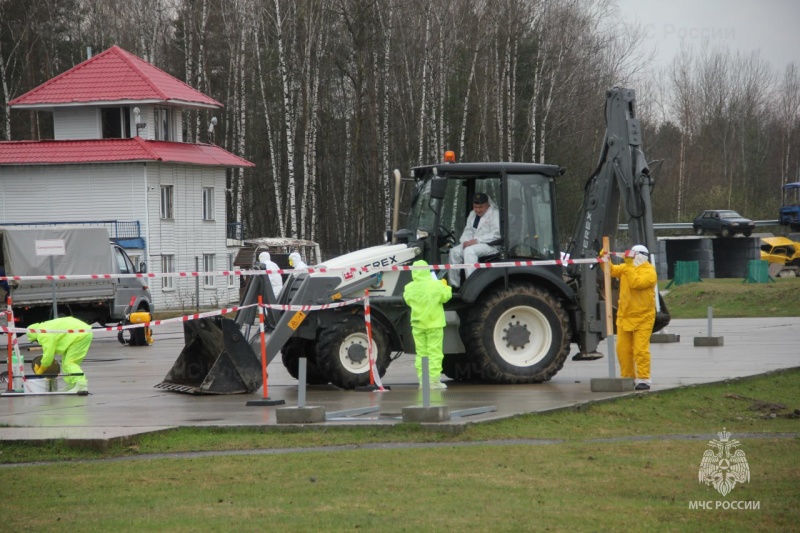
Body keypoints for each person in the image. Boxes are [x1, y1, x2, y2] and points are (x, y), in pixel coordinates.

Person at [604, 244, 658, 390]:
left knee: (640, 350)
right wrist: (605, 260)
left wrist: (628, 267)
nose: (629, 257)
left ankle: (644, 379)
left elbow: (636, 284)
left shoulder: (649, 272)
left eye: (633, 255)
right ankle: (628, 378)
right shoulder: (627, 267)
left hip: (644, 317)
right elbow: (612, 270)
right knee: (623, 349)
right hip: (624, 316)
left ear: (641, 256)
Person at [402, 259, 453, 389]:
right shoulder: (436, 285)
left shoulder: (409, 287)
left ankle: (423, 381)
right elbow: (446, 297)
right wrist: (445, 285)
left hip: (418, 325)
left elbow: (408, 301)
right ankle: (434, 381)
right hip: (434, 324)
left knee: (421, 354)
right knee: (434, 353)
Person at [27, 316, 93, 393]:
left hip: (80, 335)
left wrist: (42, 369)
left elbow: (48, 355)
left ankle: (81, 386)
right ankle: (72, 384)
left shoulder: (43, 334)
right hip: (80, 333)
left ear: (34, 336)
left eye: (35, 340)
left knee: (70, 363)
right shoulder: (44, 327)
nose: (37, 342)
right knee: (65, 362)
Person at [448, 192, 501, 288]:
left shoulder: (495, 214)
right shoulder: (472, 214)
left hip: (491, 245)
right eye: (475, 207)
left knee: (469, 251)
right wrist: (465, 242)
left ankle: (472, 286)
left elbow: (496, 235)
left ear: (487, 205)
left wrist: (476, 241)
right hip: (474, 244)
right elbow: (468, 231)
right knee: (454, 251)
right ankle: (454, 286)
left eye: (480, 207)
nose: (478, 210)